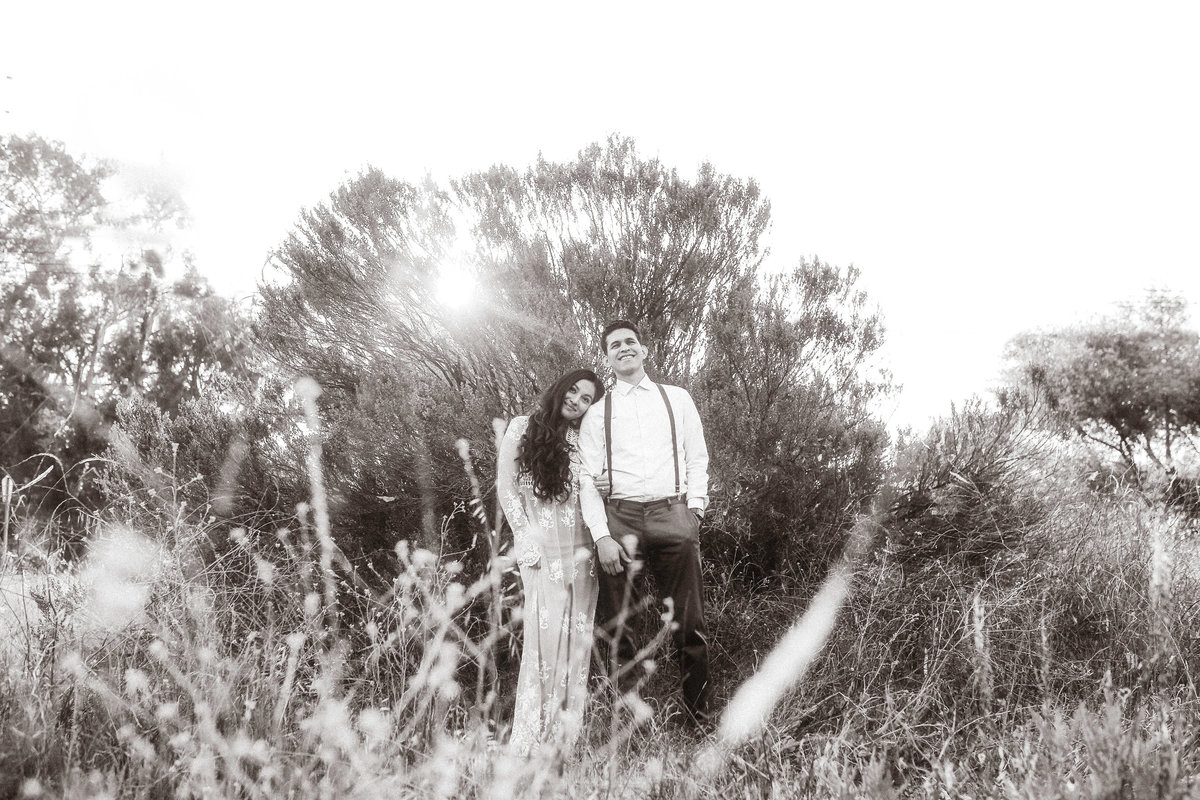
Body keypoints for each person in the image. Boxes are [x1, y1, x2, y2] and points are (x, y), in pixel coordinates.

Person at [577, 321, 712, 726]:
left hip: (674, 515)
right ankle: (629, 727)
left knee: (690, 623)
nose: (623, 348)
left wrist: (696, 511)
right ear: (607, 358)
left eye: (630, 342)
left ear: (644, 349)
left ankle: (699, 717)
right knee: (622, 629)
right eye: (614, 345)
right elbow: (587, 478)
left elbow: (697, 457)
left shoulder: (677, 399)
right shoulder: (597, 414)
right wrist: (601, 535)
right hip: (620, 519)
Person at [496, 368, 607, 754]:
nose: (576, 400)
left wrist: (605, 484)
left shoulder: (585, 441)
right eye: (573, 390)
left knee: (576, 640)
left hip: (581, 552)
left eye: (586, 399)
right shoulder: (522, 427)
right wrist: (524, 538)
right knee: (543, 640)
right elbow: (506, 488)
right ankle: (530, 735)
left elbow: (595, 492)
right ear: (561, 388)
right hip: (539, 550)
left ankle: (564, 735)